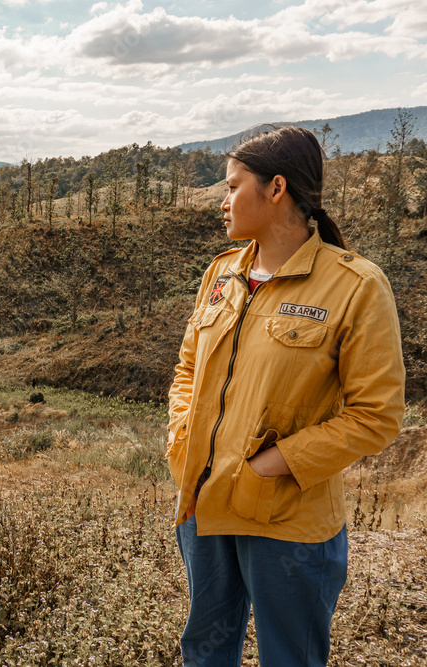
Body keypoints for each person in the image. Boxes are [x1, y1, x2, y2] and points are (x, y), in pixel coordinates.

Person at [166, 125, 405, 666]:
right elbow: (187, 367)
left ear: (276, 189)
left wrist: (272, 466)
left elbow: (378, 414)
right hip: (202, 502)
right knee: (204, 650)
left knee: (289, 657)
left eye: (231, 187)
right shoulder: (221, 274)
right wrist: (183, 434)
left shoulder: (356, 286)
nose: (222, 202)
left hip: (288, 520)